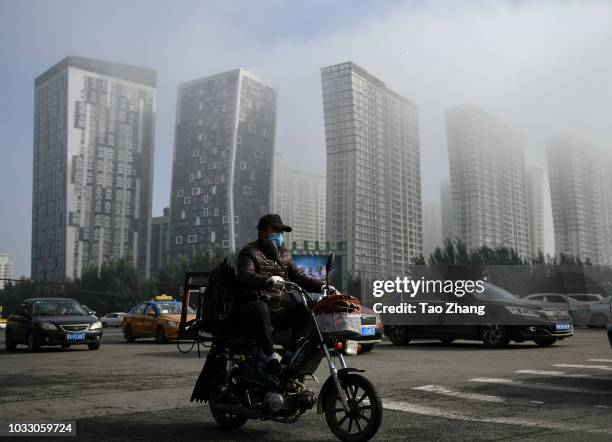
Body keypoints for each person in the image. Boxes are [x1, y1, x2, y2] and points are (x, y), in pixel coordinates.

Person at [235, 214, 332, 374]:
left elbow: (299, 276)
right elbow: (244, 274)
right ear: (262, 232)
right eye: (275, 230)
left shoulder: (284, 254)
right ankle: (270, 355)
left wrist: (323, 287)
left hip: (279, 310)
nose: (279, 234)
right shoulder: (250, 251)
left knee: (307, 310)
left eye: (281, 231)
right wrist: (266, 280)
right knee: (260, 308)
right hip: (255, 309)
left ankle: (291, 355)